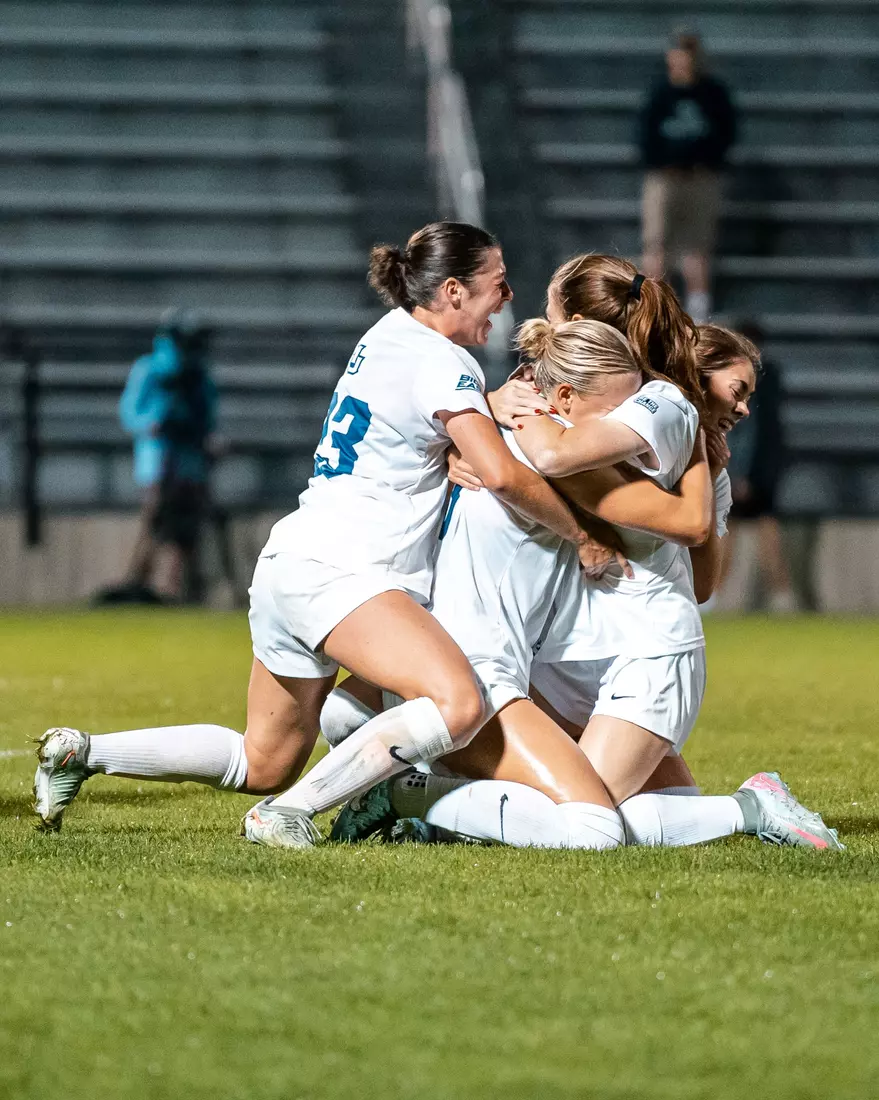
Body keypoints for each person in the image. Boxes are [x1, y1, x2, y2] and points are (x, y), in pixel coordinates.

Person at [33, 222, 611, 840]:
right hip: (349, 572)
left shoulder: (387, 336)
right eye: (497, 284)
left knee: (264, 760)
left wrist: (475, 417)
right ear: (453, 291)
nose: (508, 298)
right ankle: (288, 815)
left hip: (293, 560)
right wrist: (582, 536)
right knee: (458, 705)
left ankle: (81, 752)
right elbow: (498, 473)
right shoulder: (446, 361)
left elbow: (415, 427)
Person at [326, 260, 840, 850]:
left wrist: (515, 427)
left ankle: (412, 798)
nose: (744, 407)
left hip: (645, 646)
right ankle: (422, 801)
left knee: (582, 821)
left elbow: (563, 466)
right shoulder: (629, 402)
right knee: (609, 815)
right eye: (739, 388)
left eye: (552, 313)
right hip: (573, 648)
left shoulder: (662, 405)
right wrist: (479, 437)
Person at [104, 310, 217, 604]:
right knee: (154, 522)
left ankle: (177, 588)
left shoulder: (199, 375)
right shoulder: (150, 370)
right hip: (158, 461)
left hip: (188, 464)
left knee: (186, 529)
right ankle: (139, 584)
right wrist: (153, 422)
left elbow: (207, 418)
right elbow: (130, 412)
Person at [638, 31, 736, 324]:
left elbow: (726, 132)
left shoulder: (712, 94)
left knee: (698, 247)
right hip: (664, 177)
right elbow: (644, 135)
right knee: (656, 245)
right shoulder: (660, 94)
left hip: (700, 177)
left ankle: (698, 311)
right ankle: (651, 309)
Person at [722, 321, 798, 612]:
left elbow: (747, 431)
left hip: (752, 473)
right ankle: (782, 599)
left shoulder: (747, 382)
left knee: (731, 537)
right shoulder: (770, 378)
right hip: (766, 470)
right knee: (766, 538)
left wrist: (740, 474)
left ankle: (714, 599)